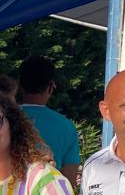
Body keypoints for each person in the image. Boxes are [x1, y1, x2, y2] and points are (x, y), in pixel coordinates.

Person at [18, 55, 81, 185]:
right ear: (50, 87)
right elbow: (69, 179)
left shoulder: (1, 120)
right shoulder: (66, 126)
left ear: (19, 86)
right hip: (48, 193)